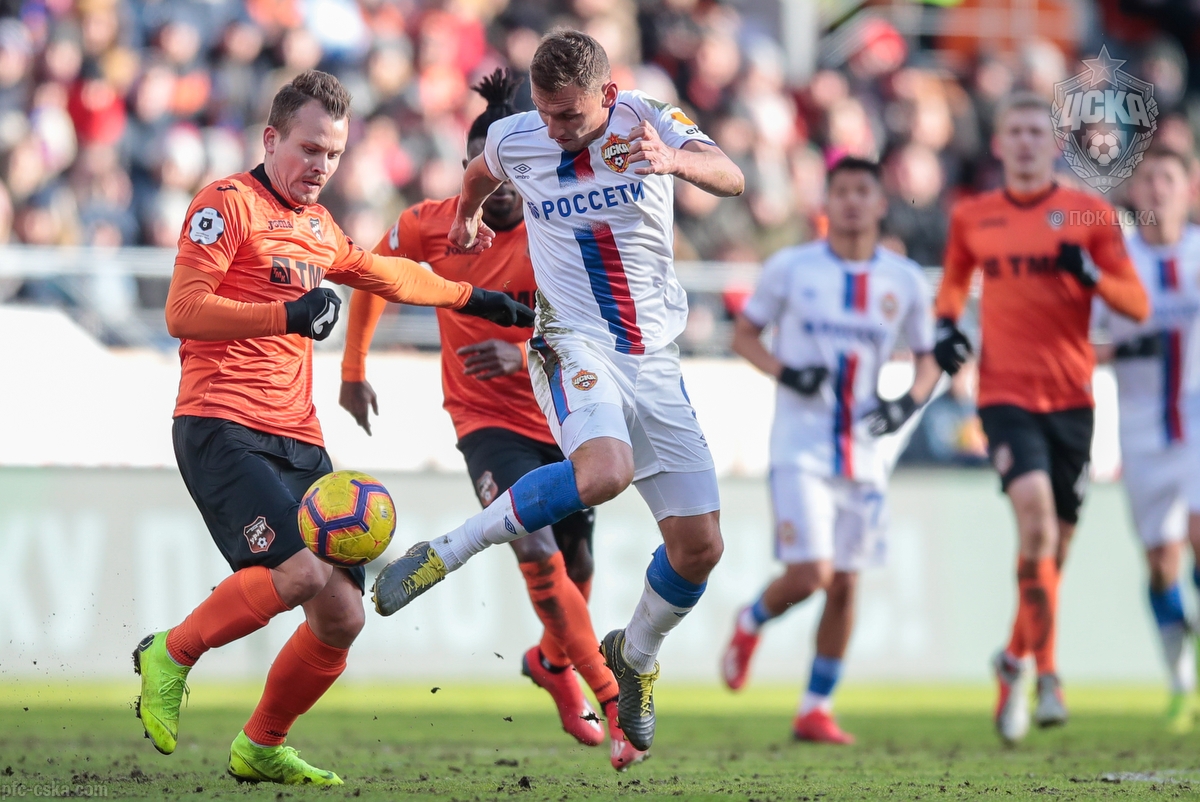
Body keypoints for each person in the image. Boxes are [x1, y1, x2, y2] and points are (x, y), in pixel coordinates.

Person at [131, 70, 532, 786]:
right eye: (310, 148)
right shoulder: (226, 204)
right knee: (300, 572)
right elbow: (181, 313)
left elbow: (391, 274)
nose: (322, 166)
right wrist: (286, 314)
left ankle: (261, 744)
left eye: (335, 154)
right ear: (271, 139)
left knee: (343, 615)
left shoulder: (319, 228)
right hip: (221, 422)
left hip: (297, 434)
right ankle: (171, 653)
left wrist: (479, 299)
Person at [371, 30, 745, 753]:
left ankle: (635, 654)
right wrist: (466, 215)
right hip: (569, 338)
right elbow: (479, 171)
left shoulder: (649, 119)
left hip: (653, 357)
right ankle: (448, 550)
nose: (554, 129)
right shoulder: (518, 136)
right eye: (545, 113)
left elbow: (730, 176)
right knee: (604, 471)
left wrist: (674, 161)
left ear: (608, 95)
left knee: (700, 548)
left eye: (569, 115)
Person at [338, 69, 643, 770]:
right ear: (470, 171)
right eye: (487, 171)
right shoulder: (431, 223)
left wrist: (523, 349)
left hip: (562, 412)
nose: (502, 185)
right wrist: (353, 369)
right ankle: (608, 697)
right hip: (485, 422)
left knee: (579, 563)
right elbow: (373, 276)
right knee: (533, 547)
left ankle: (550, 663)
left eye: (511, 171)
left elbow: (595, 316)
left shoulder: (555, 224)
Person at [934, 92, 1149, 744]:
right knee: (1035, 523)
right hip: (1005, 396)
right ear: (999, 144)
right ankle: (1049, 676)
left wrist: (1091, 276)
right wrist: (945, 328)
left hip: (1072, 402)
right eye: (1015, 132)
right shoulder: (973, 215)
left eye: (1036, 131)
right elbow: (953, 283)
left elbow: (1136, 303)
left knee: (1054, 551)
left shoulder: (1089, 214)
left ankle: (1012, 660)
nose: (1026, 142)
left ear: (1053, 143)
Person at [719, 157, 941, 743]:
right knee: (812, 573)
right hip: (801, 447)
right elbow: (743, 334)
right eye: (841, 191)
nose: (851, 202)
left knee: (846, 582)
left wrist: (907, 403)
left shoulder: (904, 280)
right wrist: (786, 372)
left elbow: (930, 358)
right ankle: (751, 619)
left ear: (880, 203)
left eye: (863, 191)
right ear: (826, 203)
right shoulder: (792, 268)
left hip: (865, 452)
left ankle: (815, 707)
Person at [1094, 147, 1200, 732]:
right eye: (1148, 179)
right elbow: (1082, 340)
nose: (1158, 188)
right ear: (1133, 193)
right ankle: (1179, 676)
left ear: (1188, 189)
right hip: (1139, 426)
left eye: (1168, 178)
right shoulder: (1114, 261)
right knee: (1161, 562)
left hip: (1197, 420)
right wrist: (1122, 348)